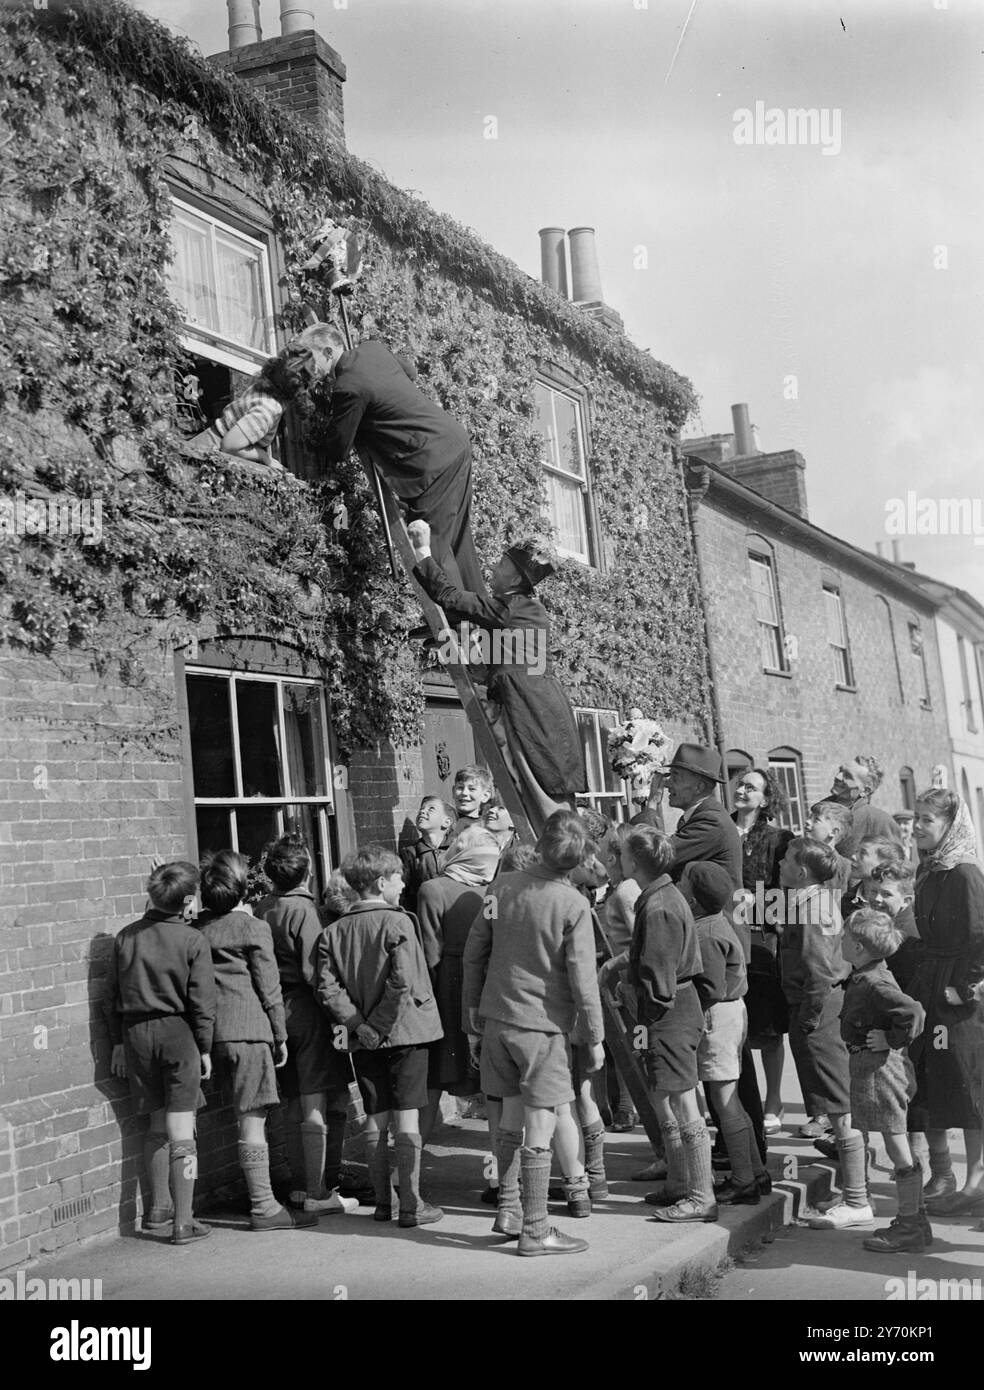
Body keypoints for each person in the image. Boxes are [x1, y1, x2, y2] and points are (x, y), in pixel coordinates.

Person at [462, 809, 604, 1256]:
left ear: (539, 845)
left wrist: (472, 1011)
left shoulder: (500, 888)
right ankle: (537, 1228)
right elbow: (584, 979)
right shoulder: (574, 905)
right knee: (540, 1125)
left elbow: (473, 953)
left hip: (497, 1018)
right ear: (579, 861)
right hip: (542, 1028)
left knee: (508, 1116)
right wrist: (595, 1035)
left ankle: (508, 1208)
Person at [410, 521, 587, 824]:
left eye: (502, 563)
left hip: (526, 708)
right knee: (542, 791)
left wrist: (422, 548)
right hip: (538, 705)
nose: (494, 567)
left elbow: (450, 596)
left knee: (538, 791)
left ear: (516, 576)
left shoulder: (512, 608)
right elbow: (500, 664)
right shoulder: (527, 611)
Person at [317, 846, 445, 1228]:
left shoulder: (333, 932)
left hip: (364, 1040)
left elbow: (328, 988)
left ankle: (384, 1205)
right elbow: (402, 980)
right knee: (407, 1116)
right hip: (406, 1031)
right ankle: (411, 1203)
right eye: (398, 877)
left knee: (376, 1116)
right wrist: (379, 1024)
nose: (404, 882)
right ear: (380, 882)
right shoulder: (398, 922)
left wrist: (359, 1025)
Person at [197, 851, 317, 1231]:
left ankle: (264, 1200)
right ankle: (264, 1206)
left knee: (242, 1116)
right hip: (250, 1031)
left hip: (214, 1034)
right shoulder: (252, 928)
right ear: (241, 892)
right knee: (253, 1118)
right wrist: (279, 1034)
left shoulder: (198, 930)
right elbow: (269, 986)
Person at [320, 331, 487, 593]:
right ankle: (478, 619)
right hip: (453, 442)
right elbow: (410, 371)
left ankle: (459, 624)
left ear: (328, 352)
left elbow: (337, 449)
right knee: (459, 541)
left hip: (430, 462)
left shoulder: (348, 387)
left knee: (433, 543)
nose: (309, 367)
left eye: (311, 358)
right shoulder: (374, 348)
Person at [103, 862, 215, 1246]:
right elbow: (202, 1002)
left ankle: (158, 1210)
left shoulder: (125, 937)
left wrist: (118, 1041)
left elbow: (111, 997)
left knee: (155, 1124)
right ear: (187, 900)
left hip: (136, 1034)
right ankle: (184, 1222)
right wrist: (204, 1047)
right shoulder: (192, 940)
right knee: (183, 1131)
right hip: (178, 1033)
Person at [808, 908, 928, 1251]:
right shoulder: (868, 973)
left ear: (858, 947)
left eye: (845, 937)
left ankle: (909, 1226)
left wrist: (890, 1040)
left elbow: (913, 1012)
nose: (840, 941)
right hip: (872, 1070)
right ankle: (915, 1221)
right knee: (895, 1144)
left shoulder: (874, 980)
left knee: (896, 1146)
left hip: (881, 1073)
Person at [256, 836, 357, 1215]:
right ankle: (318, 1191)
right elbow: (318, 972)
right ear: (308, 872)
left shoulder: (262, 908)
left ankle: (301, 1186)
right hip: (309, 1011)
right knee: (318, 1097)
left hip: (276, 1011)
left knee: (295, 1100)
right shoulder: (307, 912)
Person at [622, 825, 717, 1223]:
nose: (620, 859)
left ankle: (701, 1194)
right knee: (672, 1096)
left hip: (669, 1011)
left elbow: (659, 980)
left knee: (682, 1100)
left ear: (635, 862)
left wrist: (637, 999)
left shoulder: (659, 905)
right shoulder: (661, 895)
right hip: (676, 1007)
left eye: (624, 854)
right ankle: (681, 1184)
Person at [908, 789, 984, 1218]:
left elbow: (981, 935)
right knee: (942, 1080)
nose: (917, 826)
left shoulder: (964, 873)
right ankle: (960, 1179)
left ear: (949, 826)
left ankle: (976, 1181)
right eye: (916, 818)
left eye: (926, 820)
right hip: (933, 987)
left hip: (959, 996)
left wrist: (968, 986)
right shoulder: (932, 869)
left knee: (968, 1083)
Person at [681, 860, 770, 1204]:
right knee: (730, 1099)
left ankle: (743, 1180)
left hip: (718, 1017)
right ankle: (755, 1172)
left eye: (684, 884)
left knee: (724, 1101)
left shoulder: (706, 933)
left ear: (694, 900)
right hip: (731, 1013)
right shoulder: (716, 922)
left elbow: (711, 988)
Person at [416, 826, 500, 1146]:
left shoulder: (432, 889)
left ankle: (406, 1172)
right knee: (493, 1084)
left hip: (447, 990)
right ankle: (499, 1175)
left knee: (432, 1080)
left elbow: (429, 952)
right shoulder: (493, 891)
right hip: (486, 985)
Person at [778, 838, 854, 1163]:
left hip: (818, 1006)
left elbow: (819, 972)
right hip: (813, 1004)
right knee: (828, 1086)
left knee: (835, 1092)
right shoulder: (808, 901)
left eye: (786, 860)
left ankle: (854, 1172)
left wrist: (808, 1018)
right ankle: (845, 1149)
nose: (780, 863)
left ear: (802, 871)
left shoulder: (813, 908)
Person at [732, 767, 794, 1132]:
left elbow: (783, 887)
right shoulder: (721, 828)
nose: (741, 791)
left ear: (766, 799)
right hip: (727, 932)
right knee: (733, 1022)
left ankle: (774, 1099)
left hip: (762, 935)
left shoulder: (777, 838)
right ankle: (742, 1100)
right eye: (740, 784)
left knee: (768, 1027)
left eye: (750, 788)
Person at [182, 326, 335, 468]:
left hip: (202, 444)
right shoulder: (268, 410)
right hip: (200, 456)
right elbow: (229, 446)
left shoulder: (263, 389)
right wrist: (264, 457)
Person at [665, 744, 743, 889]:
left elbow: (657, 854)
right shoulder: (702, 815)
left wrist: (651, 805)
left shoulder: (711, 822)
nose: (666, 784)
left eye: (675, 777)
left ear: (699, 787)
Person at [820, 756, 903, 859]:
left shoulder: (880, 821)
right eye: (840, 771)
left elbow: (897, 867)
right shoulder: (820, 810)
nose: (838, 777)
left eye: (848, 776)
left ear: (866, 790)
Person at [399, 795, 456, 915]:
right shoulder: (410, 853)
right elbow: (402, 892)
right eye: (421, 809)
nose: (422, 811)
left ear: (446, 822)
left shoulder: (458, 849)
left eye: (431, 809)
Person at [841, 834, 904, 922]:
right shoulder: (847, 900)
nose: (853, 857)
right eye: (856, 852)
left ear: (884, 863)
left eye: (862, 854)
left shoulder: (897, 905)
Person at [805, 801, 853, 891]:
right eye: (809, 817)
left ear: (833, 832)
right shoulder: (794, 858)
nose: (807, 822)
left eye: (816, 820)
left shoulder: (845, 868)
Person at [451, 765, 495, 832]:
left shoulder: (487, 829)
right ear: (453, 791)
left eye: (472, 789)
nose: (464, 793)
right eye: (460, 787)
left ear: (485, 796)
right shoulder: (442, 822)